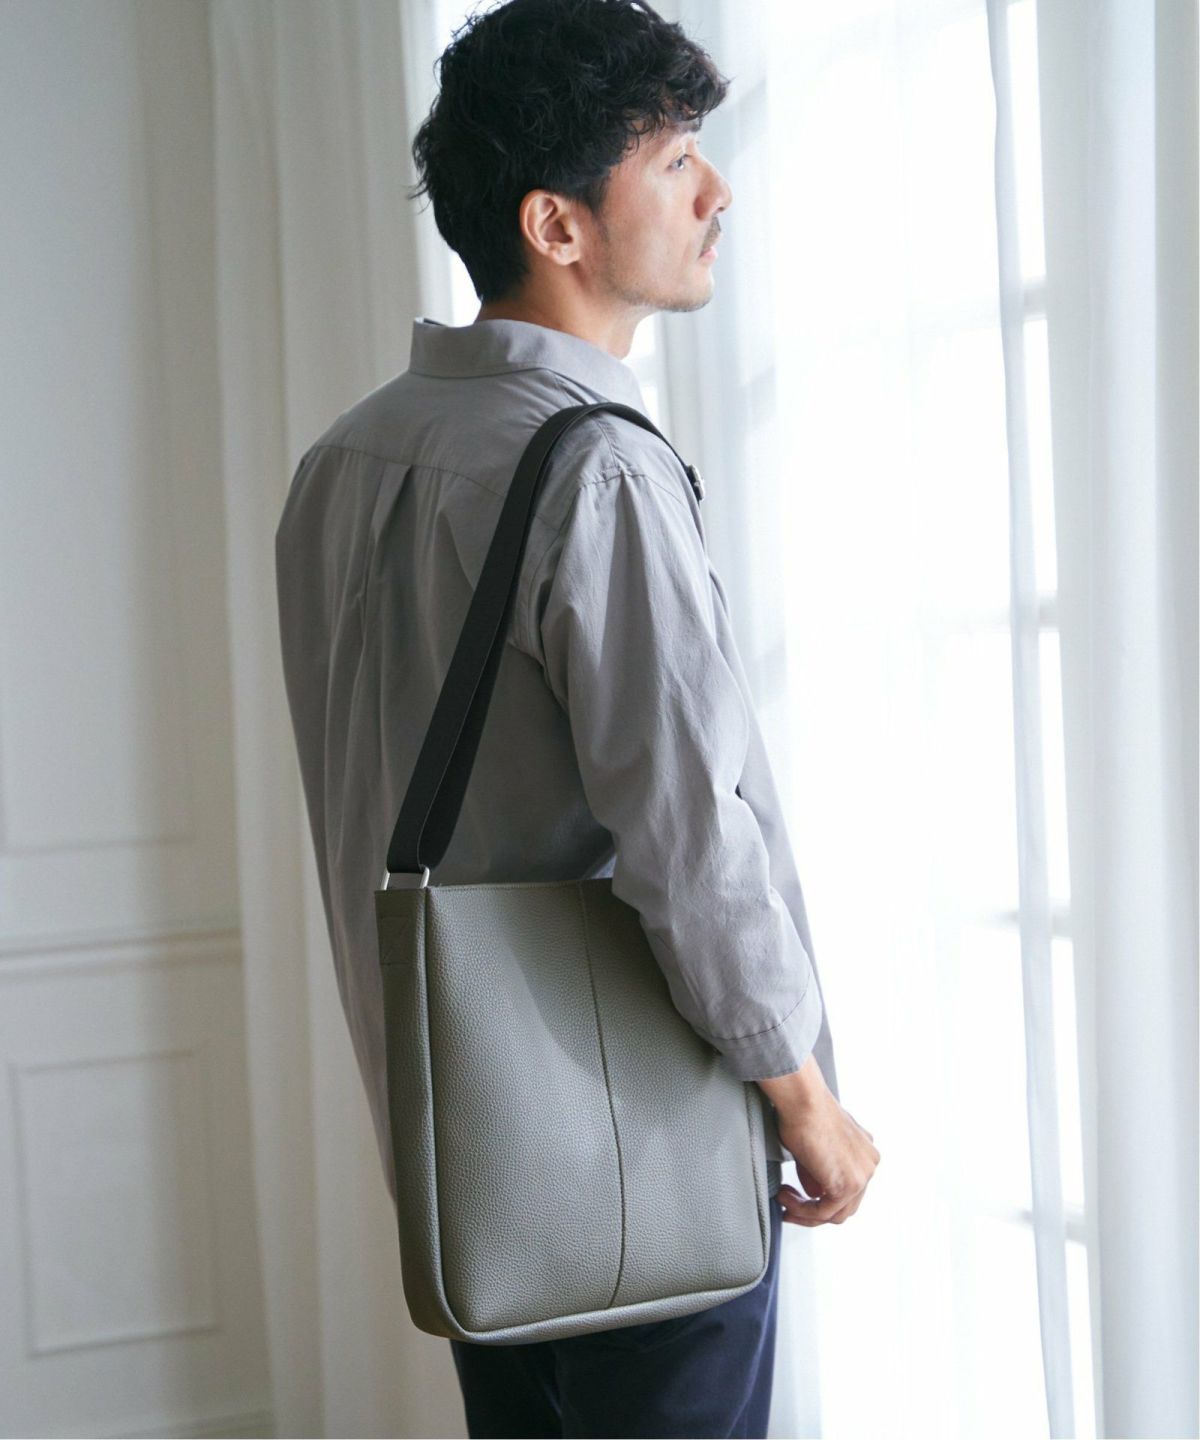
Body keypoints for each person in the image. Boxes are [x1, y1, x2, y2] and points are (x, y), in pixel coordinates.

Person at [274, 0, 879, 1434]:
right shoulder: (599, 468)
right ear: (556, 224)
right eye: (674, 160)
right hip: (642, 1138)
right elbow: (688, 839)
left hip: (470, 1142)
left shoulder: (345, 461)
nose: (717, 192)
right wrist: (804, 1099)